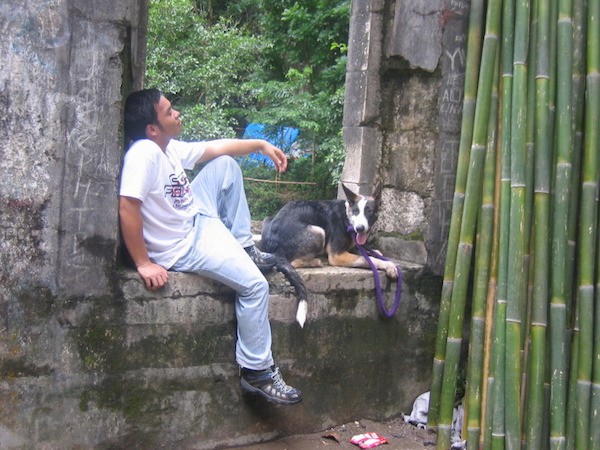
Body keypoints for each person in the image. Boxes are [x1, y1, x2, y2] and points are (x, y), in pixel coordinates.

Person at [118, 88, 302, 405]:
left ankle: (245, 248)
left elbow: (215, 147)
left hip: (195, 216)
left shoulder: (167, 147)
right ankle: (257, 371)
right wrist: (144, 262)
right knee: (256, 286)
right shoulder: (143, 155)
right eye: (169, 112)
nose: (177, 114)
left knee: (225, 164)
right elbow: (127, 206)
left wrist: (260, 144)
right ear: (152, 128)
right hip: (184, 244)